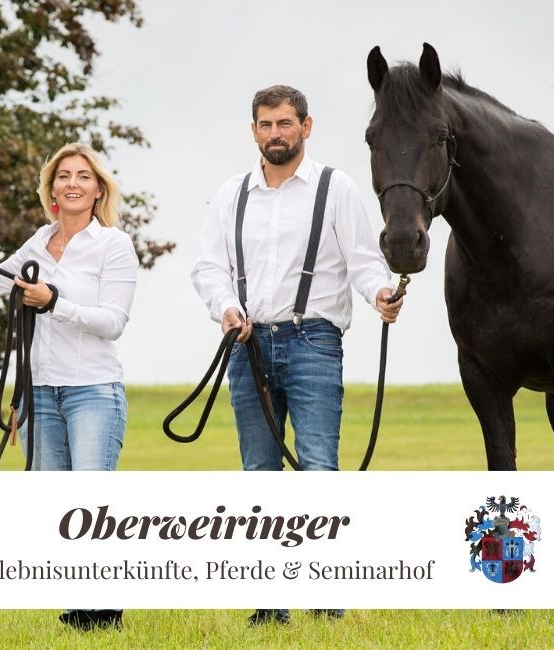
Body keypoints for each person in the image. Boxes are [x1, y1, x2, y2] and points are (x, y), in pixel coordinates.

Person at [190, 85, 403, 626]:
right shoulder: (231, 194)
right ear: (253, 130)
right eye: (265, 124)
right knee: (259, 470)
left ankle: (325, 594)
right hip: (248, 344)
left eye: (285, 123)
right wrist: (226, 307)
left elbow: (363, 260)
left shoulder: (336, 188)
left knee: (317, 467)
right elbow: (208, 268)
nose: (275, 134)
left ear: (307, 127)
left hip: (313, 342)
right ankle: (270, 602)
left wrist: (380, 293)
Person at [0, 142, 135, 631]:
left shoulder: (114, 245)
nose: (72, 183)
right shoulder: (38, 241)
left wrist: (55, 302)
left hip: (93, 389)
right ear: (52, 189)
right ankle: (79, 612)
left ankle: (106, 611)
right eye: (63, 176)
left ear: (98, 191)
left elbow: (112, 322)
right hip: (40, 393)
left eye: (83, 176)